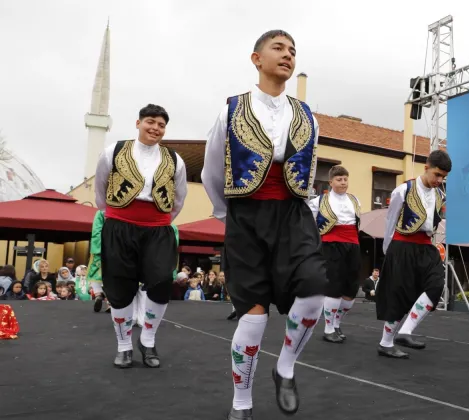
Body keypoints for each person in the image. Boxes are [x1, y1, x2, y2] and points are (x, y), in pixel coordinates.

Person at [201, 29, 326, 419]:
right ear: (256, 58)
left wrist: (300, 208)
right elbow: (210, 171)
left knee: (315, 291)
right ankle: (241, 402)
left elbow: (308, 170)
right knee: (253, 316)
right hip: (246, 214)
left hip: (292, 213)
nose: (287, 55)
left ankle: (285, 366)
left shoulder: (308, 116)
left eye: (292, 51)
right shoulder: (231, 108)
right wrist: (230, 214)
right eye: (278, 48)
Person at [94, 104, 187, 369]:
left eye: (161, 124)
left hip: (158, 228)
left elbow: (179, 197)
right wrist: (114, 216)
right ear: (138, 123)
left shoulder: (175, 160)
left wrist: (160, 221)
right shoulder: (113, 150)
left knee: (160, 283)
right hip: (119, 225)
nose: (155, 128)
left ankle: (147, 340)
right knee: (120, 287)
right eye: (151, 122)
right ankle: (124, 346)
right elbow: (101, 188)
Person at [375, 150, 450, 359]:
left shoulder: (440, 195)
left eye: (443, 177)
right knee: (398, 294)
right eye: (437, 174)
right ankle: (386, 342)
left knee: (436, 285)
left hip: (426, 247)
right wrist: (387, 250)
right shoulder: (403, 190)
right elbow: (390, 221)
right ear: (426, 168)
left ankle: (406, 331)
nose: (439, 180)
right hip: (402, 246)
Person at [307, 165, 362, 343]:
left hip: (353, 245)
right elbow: (308, 226)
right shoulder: (318, 201)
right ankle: (328, 328)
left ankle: (337, 323)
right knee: (334, 287)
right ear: (331, 182)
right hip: (330, 245)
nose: (343, 182)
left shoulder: (355, 200)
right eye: (339, 179)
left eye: (345, 179)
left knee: (351, 290)